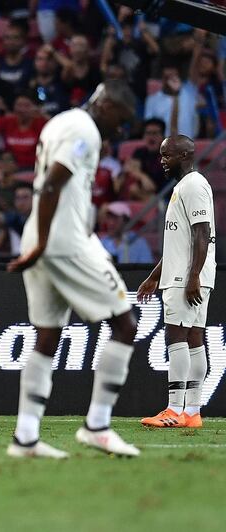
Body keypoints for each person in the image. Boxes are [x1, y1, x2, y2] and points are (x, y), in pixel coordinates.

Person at [6, 80, 141, 459]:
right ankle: (97, 425)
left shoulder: (58, 122)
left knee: (47, 337)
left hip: (44, 235)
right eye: (122, 118)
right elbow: (51, 186)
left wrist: (38, 242)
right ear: (107, 103)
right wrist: (47, 243)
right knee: (125, 323)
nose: (122, 128)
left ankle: (26, 437)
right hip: (61, 242)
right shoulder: (85, 130)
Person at [138, 135, 216, 429]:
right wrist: (153, 277)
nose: (162, 161)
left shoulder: (193, 185)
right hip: (187, 273)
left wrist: (193, 275)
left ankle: (173, 410)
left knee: (177, 337)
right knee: (194, 338)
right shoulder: (184, 186)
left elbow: (201, 232)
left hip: (187, 276)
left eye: (166, 156)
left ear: (184, 155)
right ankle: (192, 412)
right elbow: (179, 242)